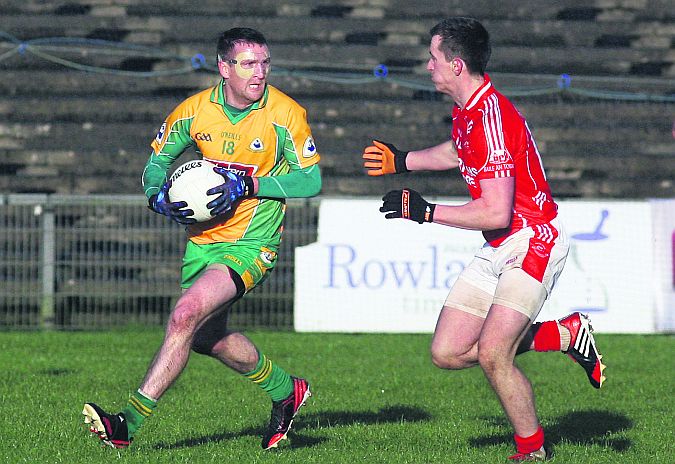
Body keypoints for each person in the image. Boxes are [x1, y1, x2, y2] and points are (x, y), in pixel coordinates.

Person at [362, 17, 605, 461]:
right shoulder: (468, 109)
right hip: (499, 243)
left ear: (455, 64)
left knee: (494, 354)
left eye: (433, 57)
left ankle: (533, 450)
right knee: (447, 351)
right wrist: (403, 160)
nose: (428, 64)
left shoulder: (491, 117)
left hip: (533, 239)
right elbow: (457, 149)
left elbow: (495, 209)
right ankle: (564, 334)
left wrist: (426, 212)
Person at [83, 27, 321, 450]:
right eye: (249, 64)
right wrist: (157, 196)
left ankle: (126, 427)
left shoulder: (286, 113)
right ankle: (287, 391)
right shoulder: (193, 111)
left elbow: (310, 180)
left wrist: (247, 187)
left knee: (184, 315)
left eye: (265, 63)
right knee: (207, 338)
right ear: (223, 67)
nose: (260, 72)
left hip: (252, 242)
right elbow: (155, 165)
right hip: (202, 242)